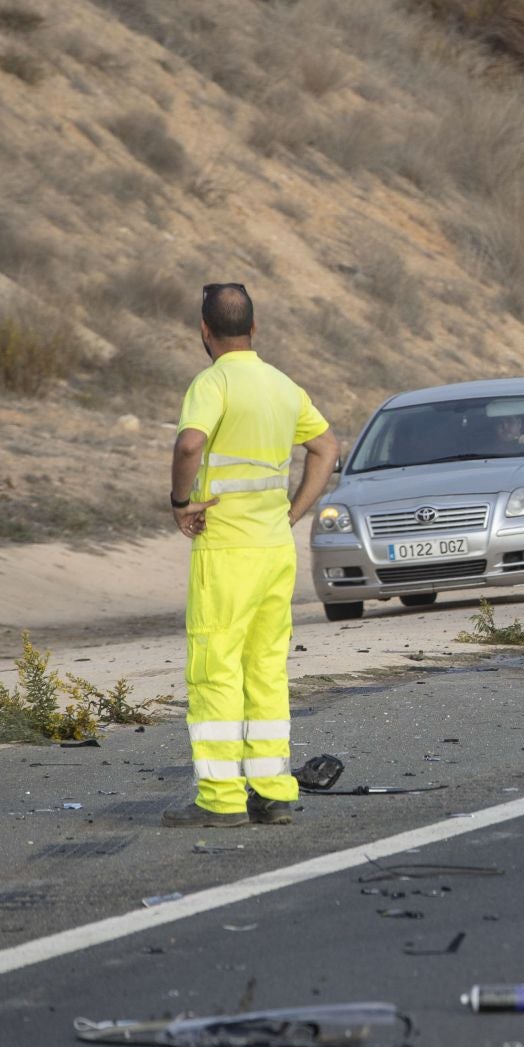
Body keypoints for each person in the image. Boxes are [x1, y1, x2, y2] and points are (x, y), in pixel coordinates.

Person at [163, 284, 339, 828]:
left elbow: (190, 445)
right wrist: (294, 511)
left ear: (203, 330)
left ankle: (220, 801)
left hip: (227, 552)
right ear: (254, 329)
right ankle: (273, 791)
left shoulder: (211, 383)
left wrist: (179, 502)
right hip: (273, 551)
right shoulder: (284, 386)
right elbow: (327, 448)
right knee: (265, 671)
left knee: (216, 671)